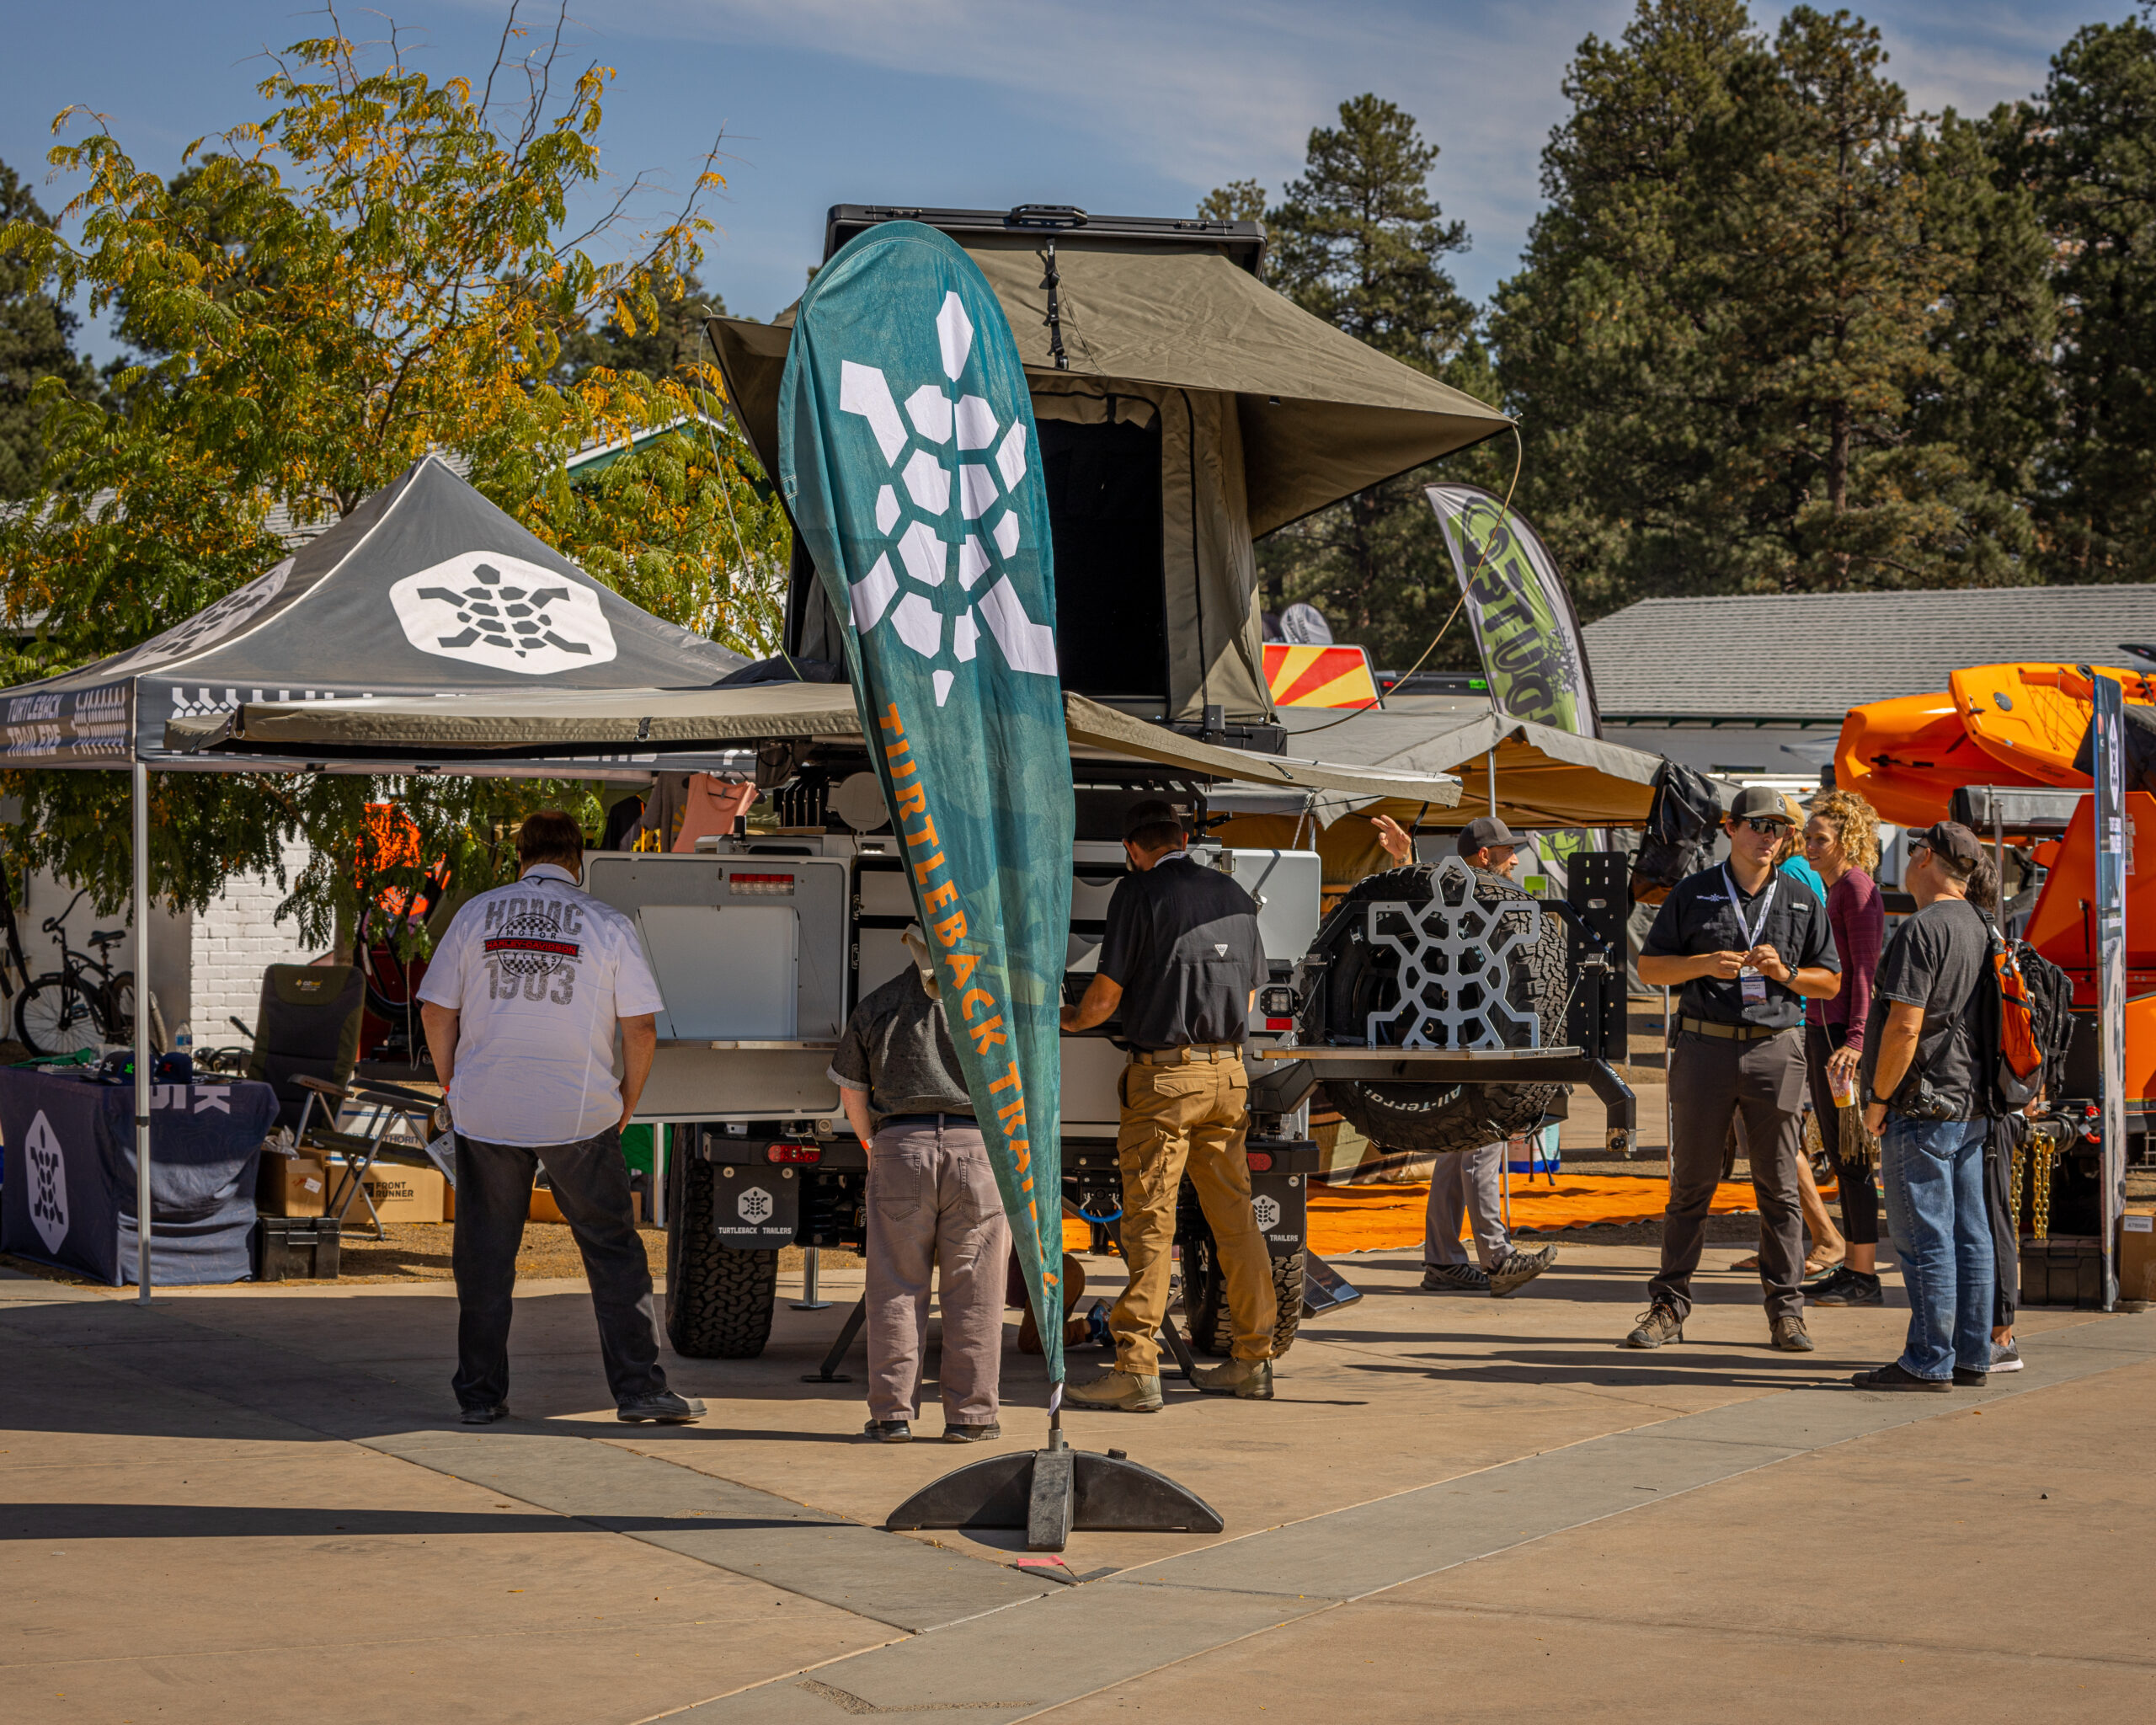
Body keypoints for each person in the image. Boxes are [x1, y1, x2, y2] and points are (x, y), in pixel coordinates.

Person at [416, 810, 702, 1426]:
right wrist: (627, 1100)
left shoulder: (475, 916)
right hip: (579, 1109)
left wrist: (452, 1083)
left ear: (519, 856)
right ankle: (639, 1390)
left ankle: (480, 1396)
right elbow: (642, 1028)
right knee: (612, 1251)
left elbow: (436, 1011)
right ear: (578, 859)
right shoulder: (606, 924)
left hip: (486, 1108)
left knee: (486, 1255)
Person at [1060, 799, 1277, 1411]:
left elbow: (1103, 1002)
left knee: (1150, 1224)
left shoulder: (1138, 893)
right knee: (1235, 1222)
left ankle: (1135, 1368)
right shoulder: (1233, 893)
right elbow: (1253, 992)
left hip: (1166, 1082)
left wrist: (1070, 1018)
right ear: (1184, 837)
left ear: (1133, 849)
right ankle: (1253, 1360)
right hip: (1231, 1075)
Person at [1623, 786, 1841, 1353]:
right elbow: (1649, 967)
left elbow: (1831, 980)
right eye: (1758, 826)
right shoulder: (1694, 894)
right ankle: (1668, 1307)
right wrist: (1701, 965)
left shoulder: (1798, 897)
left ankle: (1786, 1313)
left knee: (1778, 1189)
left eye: (1779, 829)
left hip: (1775, 1049)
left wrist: (1789, 974)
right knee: (1691, 1187)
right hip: (1705, 1050)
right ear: (1730, 828)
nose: (1769, 838)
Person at [830, 928, 1008, 1445]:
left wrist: (875, 1147)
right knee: (976, 1290)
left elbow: (852, 1094)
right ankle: (972, 1417)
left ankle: (892, 1417)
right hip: (979, 1149)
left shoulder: (879, 1004)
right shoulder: (992, 1007)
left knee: (895, 1287)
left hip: (898, 1147)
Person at [1369, 814, 1559, 1298]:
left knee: (1457, 1153)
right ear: (1483, 857)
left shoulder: (1489, 900)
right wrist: (1405, 861)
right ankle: (1498, 1258)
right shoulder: (1471, 900)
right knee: (1482, 1145)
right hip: (1472, 1042)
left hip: (1473, 1038)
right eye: (1507, 851)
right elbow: (1420, 909)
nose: (1515, 858)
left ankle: (1443, 1262)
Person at [1851, 821, 1998, 1391]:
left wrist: (1879, 1099)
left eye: (1914, 849)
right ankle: (1971, 1355)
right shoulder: (1984, 925)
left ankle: (1928, 1359)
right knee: (1971, 1234)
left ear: (1926, 857)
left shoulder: (1922, 930)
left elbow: (1904, 1026)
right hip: (1970, 1101)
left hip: (1922, 1104)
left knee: (1925, 1238)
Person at [1798, 789, 1889, 1309]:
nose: (1809, 846)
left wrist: (1855, 1041)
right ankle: (1855, 1267)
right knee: (1839, 1152)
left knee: (1851, 1154)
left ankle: (1863, 1273)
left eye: (1820, 839)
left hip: (1839, 1038)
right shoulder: (1836, 889)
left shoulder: (1855, 889)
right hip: (1824, 1031)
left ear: (1846, 840)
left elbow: (1864, 973)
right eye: (1808, 837)